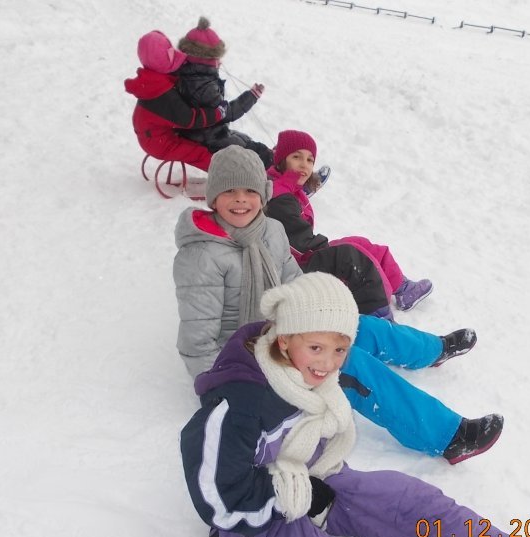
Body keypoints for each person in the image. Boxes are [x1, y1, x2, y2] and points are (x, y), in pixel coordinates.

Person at [180, 272, 530, 537]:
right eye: (316, 348)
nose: (328, 363)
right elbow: (220, 496)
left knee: (414, 504)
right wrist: (291, 497)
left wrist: (316, 490)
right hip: (251, 526)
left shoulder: (311, 374)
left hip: (317, 481)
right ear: (284, 340)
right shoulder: (239, 404)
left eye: (340, 349)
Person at [173, 145, 500, 462]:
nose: (241, 199)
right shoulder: (201, 256)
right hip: (248, 358)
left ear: (263, 193)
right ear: (213, 197)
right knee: (349, 364)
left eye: (249, 190)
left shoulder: (271, 231)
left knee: (360, 327)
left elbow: (296, 283)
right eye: (230, 191)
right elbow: (197, 343)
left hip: (285, 330)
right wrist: (230, 391)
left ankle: (432, 350)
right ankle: (448, 436)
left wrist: (326, 315)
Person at [265, 130, 434, 319]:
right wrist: (332, 253)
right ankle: (380, 310)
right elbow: (298, 244)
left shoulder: (289, 188)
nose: (305, 164)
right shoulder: (280, 197)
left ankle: (402, 287)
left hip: (303, 255)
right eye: (297, 157)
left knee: (359, 242)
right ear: (281, 159)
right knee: (355, 256)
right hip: (295, 266)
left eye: (310, 160)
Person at [124, 29, 261, 171]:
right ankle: (223, 175)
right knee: (201, 153)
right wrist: (217, 113)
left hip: (157, 133)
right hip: (159, 142)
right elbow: (189, 118)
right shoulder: (162, 94)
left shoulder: (155, 77)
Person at [173, 17, 274, 167]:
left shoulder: (190, 76)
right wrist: (251, 97)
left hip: (203, 131)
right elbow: (226, 113)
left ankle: (271, 158)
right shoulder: (204, 86)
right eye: (216, 58)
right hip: (206, 137)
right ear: (205, 60)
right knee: (246, 150)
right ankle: (270, 170)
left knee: (244, 139)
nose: (220, 62)